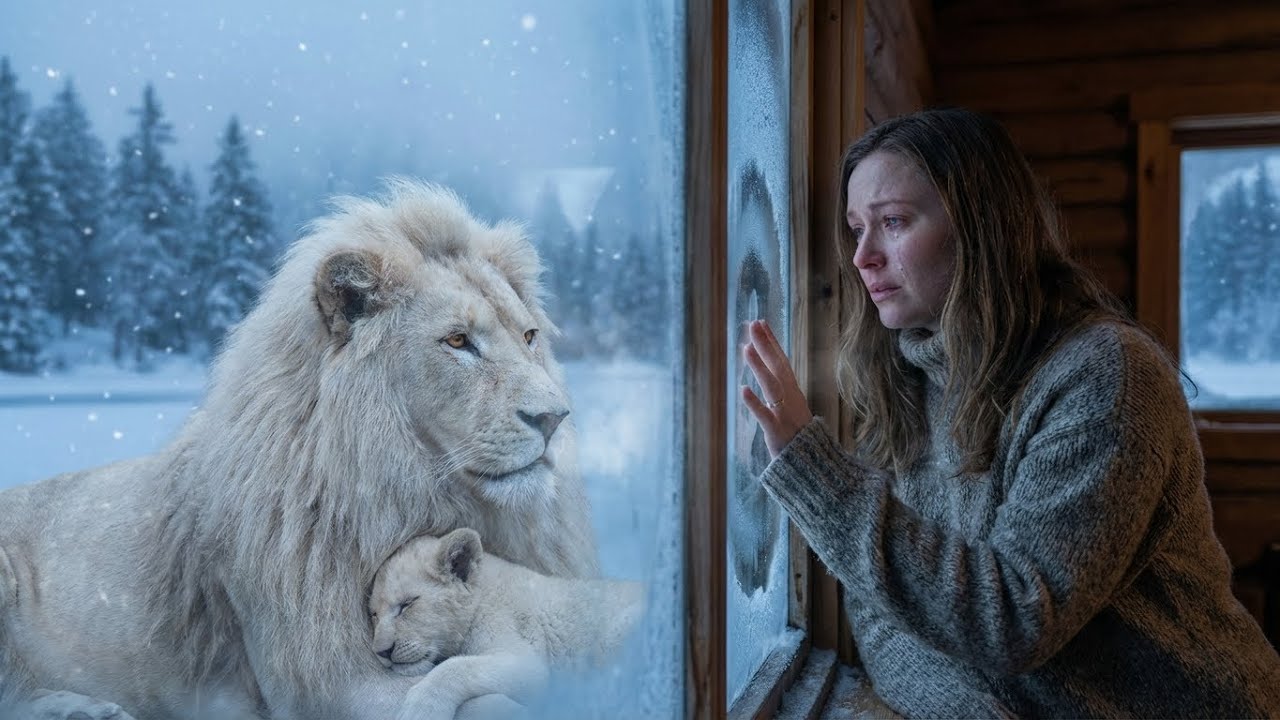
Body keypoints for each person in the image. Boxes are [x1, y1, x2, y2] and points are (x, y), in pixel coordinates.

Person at [742, 107, 1280, 718]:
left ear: (980, 227)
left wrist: (808, 467)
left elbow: (1017, 616)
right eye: (855, 228)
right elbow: (880, 608)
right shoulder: (902, 384)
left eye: (892, 222)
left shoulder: (1108, 376)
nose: (863, 256)